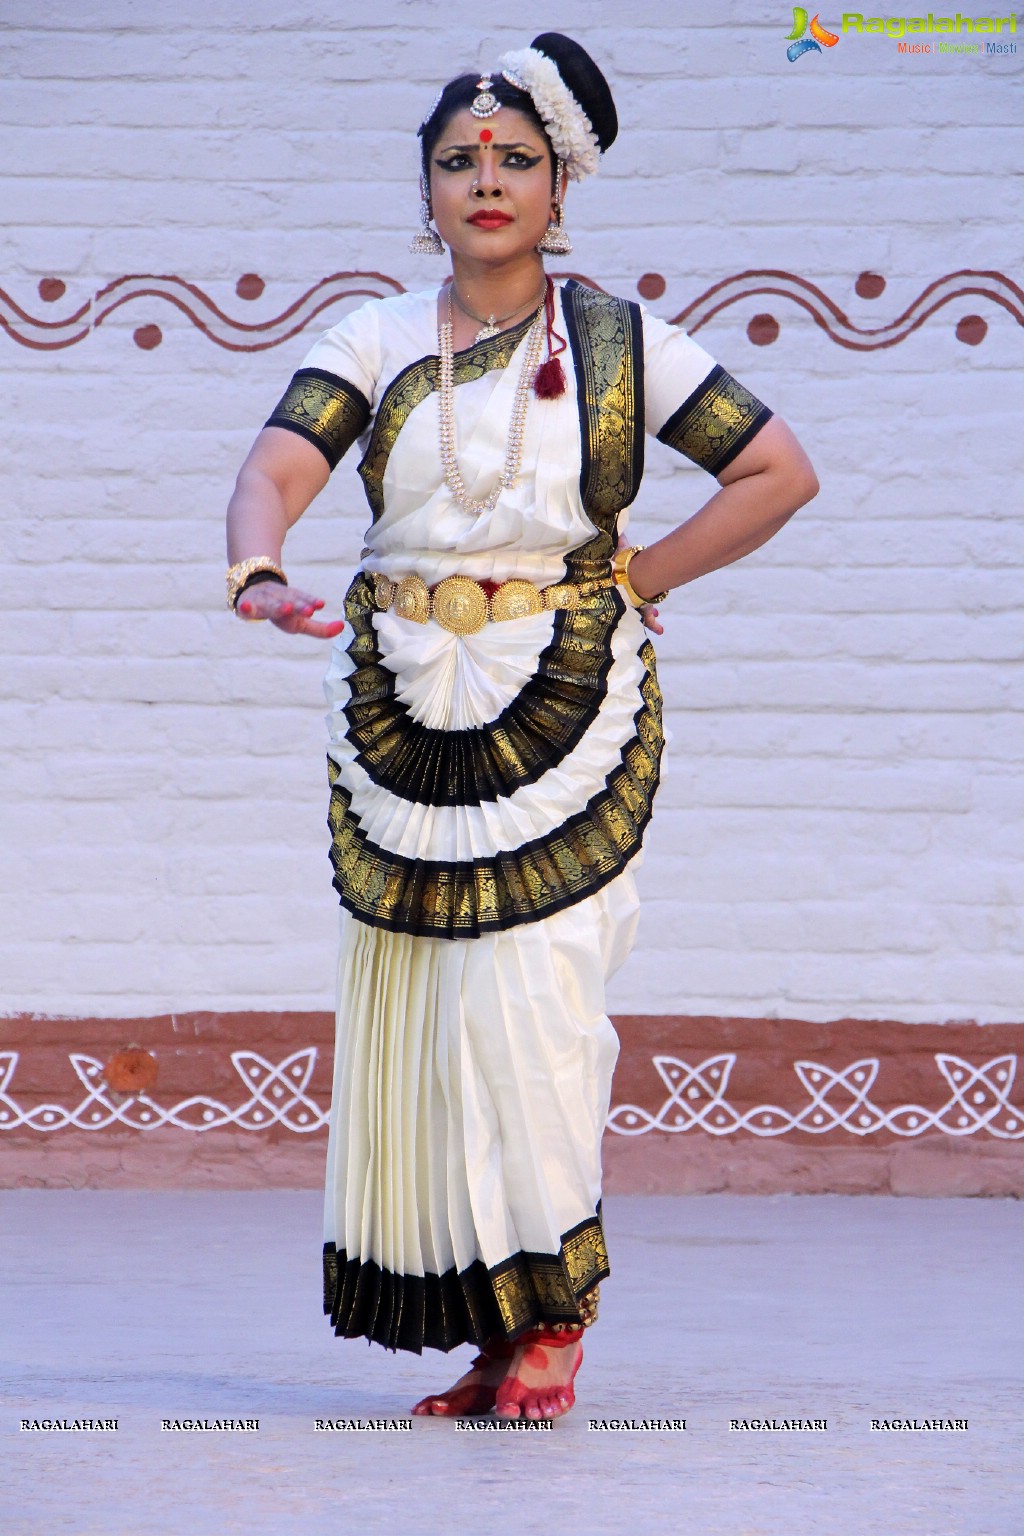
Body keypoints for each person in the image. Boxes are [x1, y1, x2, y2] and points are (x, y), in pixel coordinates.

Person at [225, 33, 818, 1422]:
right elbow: (276, 464)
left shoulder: (620, 345)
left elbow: (777, 471)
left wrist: (644, 577)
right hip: (399, 706)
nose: (485, 179)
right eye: (457, 160)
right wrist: (258, 565)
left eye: (515, 159)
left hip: (563, 698)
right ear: (424, 189)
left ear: (563, 186)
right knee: (427, 1018)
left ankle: (559, 1314)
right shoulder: (372, 337)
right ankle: (493, 1324)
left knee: (537, 1010)